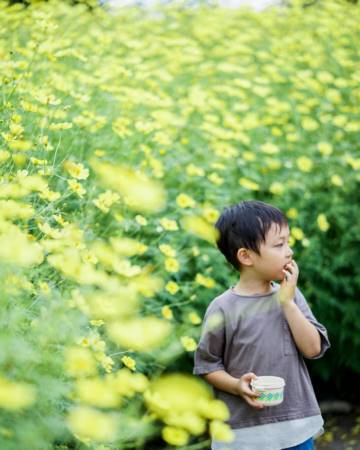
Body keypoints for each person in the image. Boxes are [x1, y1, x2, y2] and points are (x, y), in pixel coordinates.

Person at [193, 200, 331, 450]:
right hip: (243, 433)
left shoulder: (290, 295)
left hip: (294, 424)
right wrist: (236, 385)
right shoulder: (223, 308)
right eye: (279, 245)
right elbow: (207, 365)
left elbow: (313, 349)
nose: (289, 251)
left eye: (288, 243)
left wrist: (288, 303)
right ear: (245, 256)